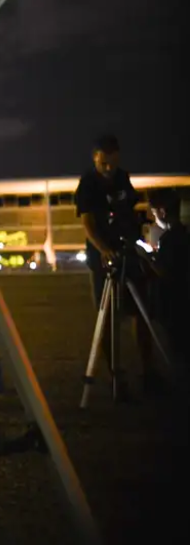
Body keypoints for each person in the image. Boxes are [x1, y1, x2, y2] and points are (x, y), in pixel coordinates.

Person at [74, 134, 156, 394]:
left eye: (111, 163)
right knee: (108, 317)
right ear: (95, 159)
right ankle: (116, 376)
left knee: (141, 312)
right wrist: (104, 249)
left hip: (126, 250)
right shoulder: (87, 184)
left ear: (117, 157)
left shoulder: (122, 178)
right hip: (103, 257)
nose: (108, 169)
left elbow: (129, 210)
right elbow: (87, 224)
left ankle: (149, 372)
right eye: (102, 164)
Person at [146, 189, 187, 364]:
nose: (155, 218)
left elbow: (164, 271)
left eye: (154, 213)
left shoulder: (171, 238)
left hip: (175, 306)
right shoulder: (184, 234)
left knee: (179, 352)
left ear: (162, 212)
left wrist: (146, 258)